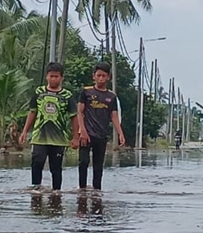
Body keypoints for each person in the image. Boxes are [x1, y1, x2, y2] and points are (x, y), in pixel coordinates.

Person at [19, 62, 79, 192]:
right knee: (37, 162)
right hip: (40, 136)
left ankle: (56, 193)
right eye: (51, 76)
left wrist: (76, 137)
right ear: (47, 76)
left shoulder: (67, 96)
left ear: (61, 78)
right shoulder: (39, 92)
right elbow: (32, 112)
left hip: (59, 138)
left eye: (56, 76)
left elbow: (74, 116)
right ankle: (36, 190)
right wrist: (24, 131)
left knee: (56, 167)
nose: (53, 79)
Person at [76, 62, 125, 190]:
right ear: (94, 76)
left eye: (104, 76)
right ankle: (82, 189)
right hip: (86, 134)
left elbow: (114, 116)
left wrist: (120, 133)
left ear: (108, 77)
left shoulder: (111, 97)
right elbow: (80, 112)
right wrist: (82, 130)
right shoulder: (86, 92)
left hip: (101, 135)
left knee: (98, 166)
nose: (101, 79)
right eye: (98, 75)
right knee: (83, 162)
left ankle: (97, 191)